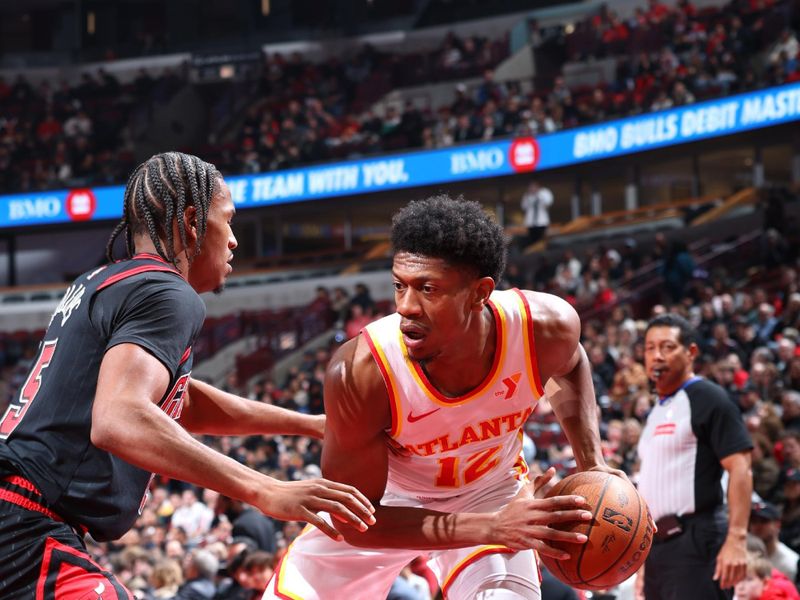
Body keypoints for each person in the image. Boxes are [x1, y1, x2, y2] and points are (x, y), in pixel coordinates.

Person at [0, 152, 375, 598]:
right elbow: (118, 417)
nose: (234, 240)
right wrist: (265, 489)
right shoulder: (167, 291)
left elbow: (181, 401)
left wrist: (311, 425)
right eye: (228, 221)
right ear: (194, 221)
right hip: (25, 521)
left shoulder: (104, 280)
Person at [264, 195, 624, 599]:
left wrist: (592, 460)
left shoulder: (544, 329)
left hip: (490, 489)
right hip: (388, 501)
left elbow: (568, 368)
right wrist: (491, 526)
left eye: (428, 289)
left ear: (480, 292)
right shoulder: (362, 372)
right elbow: (355, 522)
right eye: (399, 286)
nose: (406, 307)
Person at [638, 313, 753, 599]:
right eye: (650, 348)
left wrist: (737, 539)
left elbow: (741, 468)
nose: (657, 356)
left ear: (691, 352)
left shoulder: (708, 397)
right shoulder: (657, 409)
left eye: (667, 347)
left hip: (696, 541)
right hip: (657, 548)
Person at [520, 180, 554, 246]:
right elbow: (523, 207)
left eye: (534, 186)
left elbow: (548, 203)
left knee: (542, 240)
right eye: (531, 187)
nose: (532, 188)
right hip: (531, 223)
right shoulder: (527, 195)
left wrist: (538, 195)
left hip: (542, 222)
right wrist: (529, 196)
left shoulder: (544, 193)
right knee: (532, 241)